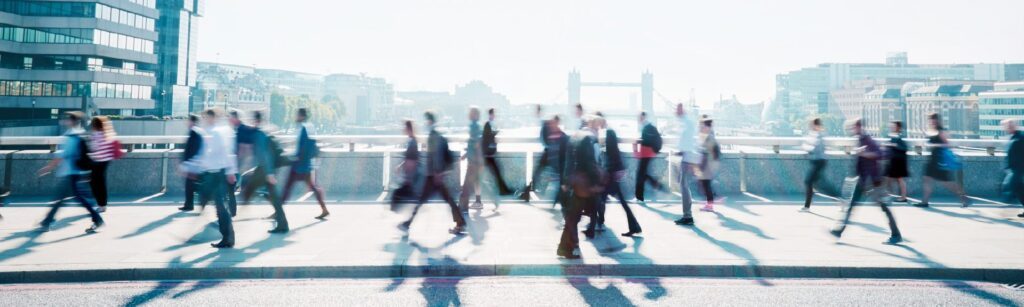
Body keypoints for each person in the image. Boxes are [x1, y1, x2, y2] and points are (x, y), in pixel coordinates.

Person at [831, 119, 902, 244]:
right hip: (863, 182)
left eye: (854, 127)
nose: (852, 130)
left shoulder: (868, 139)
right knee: (851, 207)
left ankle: (896, 234)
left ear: (859, 127)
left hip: (874, 182)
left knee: (884, 208)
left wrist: (864, 153)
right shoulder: (860, 140)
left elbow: (879, 154)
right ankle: (839, 231)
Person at [36, 111, 104, 233]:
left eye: (67, 119)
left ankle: (97, 218)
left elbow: (62, 155)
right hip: (76, 172)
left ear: (72, 121)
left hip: (70, 172)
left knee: (71, 198)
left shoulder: (71, 137)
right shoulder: (80, 133)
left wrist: (48, 168)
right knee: (68, 198)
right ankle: (47, 220)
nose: (65, 121)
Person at [401, 111, 467, 235]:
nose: (425, 123)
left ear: (430, 121)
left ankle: (407, 224)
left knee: (430, 200)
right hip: (434, 175)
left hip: (434, 176)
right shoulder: (434, 135)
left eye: (426, 120)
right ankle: (460, 223)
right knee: (444, 200)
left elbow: (436, 156)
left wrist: (437, 173)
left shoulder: (433, 136)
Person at [180, 108, 238, 248]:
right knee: (210, 203)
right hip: (212, 174)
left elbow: (224, 153)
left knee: (220, 207)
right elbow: (205, 155)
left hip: (217, 175)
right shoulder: (210, 133)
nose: (203, 120)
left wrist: (230, 171)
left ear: (211, 118)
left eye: (205, 117)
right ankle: (225, 236)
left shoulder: (216, 133)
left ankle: (227, 238)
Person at [239, 111, 288, 233]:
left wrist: (269, 173)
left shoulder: (259, 134)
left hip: (264, 169)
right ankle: (282, 224)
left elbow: (264, 155)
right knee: (273, 196)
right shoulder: (265, 131)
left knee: (248, 190)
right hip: (267, 168)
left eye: (252, 120)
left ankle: (234, 220)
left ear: (255, 121)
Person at [559, 116, 601, 258]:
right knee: (574, 217)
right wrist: (595, 183)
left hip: (573, 182)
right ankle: (567, 247)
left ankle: (565, 247)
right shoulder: (588, 140)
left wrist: (565, 182)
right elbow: (590, 163)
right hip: (583, 185)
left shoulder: (573, 137)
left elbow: (567, 161)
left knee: (572, 217)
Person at [280, 108, 330, 219]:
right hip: (306, 164)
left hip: (299, 165)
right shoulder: (309, 127)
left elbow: (302, 147)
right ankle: (324, 208)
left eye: (297, 115)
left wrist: (295, 158)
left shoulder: (303, 129)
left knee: (287, 187)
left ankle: (278, 211)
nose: (295, 117)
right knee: (313, 187)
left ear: (301, 116)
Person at [596, 115, 641, 237]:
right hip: (611, 174)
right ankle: (633, 226)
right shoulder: (608, 133)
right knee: (607, 199)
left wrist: (609, 171)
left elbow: (612, 153)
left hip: (610, 175)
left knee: (605, 199)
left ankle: (599, 223)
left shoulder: (609, 133)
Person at [914, 113, 969, 208]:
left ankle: (963, 197)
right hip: (932, 160)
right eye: (930, 119)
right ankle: (924, 201)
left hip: (940, 161)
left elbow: (947, 144)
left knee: (948, 183)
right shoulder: (932, 131)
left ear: (937, 120)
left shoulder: (941, 131)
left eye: (933, 119)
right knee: (926, 179)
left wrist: (936, 145)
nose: (931, 121)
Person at [673, 103, 702, 226]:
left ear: (681, 110)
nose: (675, 111)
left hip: (688, 157)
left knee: (683, 185)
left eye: (677, 109)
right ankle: (687, 214)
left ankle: (687, 215)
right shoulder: (686, 121)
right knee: (683, 184)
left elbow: (688, 138)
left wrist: (681, 150)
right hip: (687, 156)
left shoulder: (687, 121)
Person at [87, 116, 120, 213]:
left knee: (95, 183)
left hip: (97, 161)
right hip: (106, 161)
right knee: (101, 183)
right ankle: (102, 204)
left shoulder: (95, 135)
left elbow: (93, 148)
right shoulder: (108, 134)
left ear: (95, 125)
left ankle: (100, 205)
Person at [227, 110, 257, 216]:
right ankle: (231, 210)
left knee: (231, 187)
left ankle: (231, 211)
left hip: (240, 164)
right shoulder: (239, 128)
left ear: (235, 118)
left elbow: (244, 147)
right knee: (231, 188)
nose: (228, 120)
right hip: (240, 163)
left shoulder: (241, 129)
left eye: (230, 117)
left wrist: (239, 163)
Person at [634, 112, 665, 203]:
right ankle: (656, 185)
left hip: (646, 153)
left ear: (643, 117)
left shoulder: (647, 127)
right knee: (643, 174)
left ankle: (640, 197)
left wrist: (640, 141)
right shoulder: (648, 126)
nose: (639, 119)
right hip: (647, 153)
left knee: (640, 175)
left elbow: (647, 140)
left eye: (640, 117)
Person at [458, 107, 486, 211]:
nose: (468, 114)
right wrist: (466, 155)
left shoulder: (474, 126)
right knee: (475, 182)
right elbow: (474, 144)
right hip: (476, 160)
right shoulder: (477, 126)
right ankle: (477, 202)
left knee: (467, 184)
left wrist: (471, 158)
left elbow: (476, 143)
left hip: (474, 161)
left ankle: (463, 207)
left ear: (474, 114)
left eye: (470, 113)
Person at [482, 108, 514, 197]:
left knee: (496, 172)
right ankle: (502, 191)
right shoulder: (488, 124)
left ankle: (503, 190)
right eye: (494, 114)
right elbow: (486, 138)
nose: (495, 115)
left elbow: (488, 136)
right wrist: (495, 133)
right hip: (487, 155)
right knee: (495, 173)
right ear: (491, 114)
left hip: (489, 154)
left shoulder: (490, 124)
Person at [391, 120, 420, 210]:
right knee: (406, 194)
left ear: (408, 129)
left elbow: (412, 159)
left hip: (410, 174)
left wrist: (408, 177)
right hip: (409, 173)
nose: (403, 129)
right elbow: (410, 157)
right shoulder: (412, 140)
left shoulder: (412, 142)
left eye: (405, 128)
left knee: (399, 193)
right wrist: (401, 165)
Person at [802, 118, 827, 211]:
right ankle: (808, 203)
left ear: (816, 125)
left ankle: (807, 206)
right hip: (817, 161)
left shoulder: (819, 134)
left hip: (819, 162)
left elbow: (815, 148)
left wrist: (807, 150)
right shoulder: (816, 134)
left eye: (812, 125)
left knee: (808, 182)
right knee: (817, 184)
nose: (811, 126)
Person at [697, 118, 721, 213]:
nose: (701, 128)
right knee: (705, 184)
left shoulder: (709, 137)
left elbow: (707, 151)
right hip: (708, 164)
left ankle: (710, 204)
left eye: (703, 126)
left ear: (707, 127)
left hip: (708, 164)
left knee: (706, 184)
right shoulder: (709, 135)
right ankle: (710, 203)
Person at [1001, 119, 1024, 218]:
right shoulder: (1012, 137)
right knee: (1018, 189)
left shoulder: (1021, 137)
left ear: (1015, 126)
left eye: (1010, 125)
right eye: (1007, 126)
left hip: (1020, 169)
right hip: (1013, 169)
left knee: (1017, 188)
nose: (1009, 127)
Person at [885, 121, 911, 203]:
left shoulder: (900, 136)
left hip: (899, 161)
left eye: (894, 126)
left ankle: (903, 197)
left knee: (899, 179)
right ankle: (889, 195)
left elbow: (904, 148)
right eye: (891, 126)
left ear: (898, 127)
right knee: (889, 178)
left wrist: (894, 145)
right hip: (893, 160)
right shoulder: (893, 135)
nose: (892, 127)